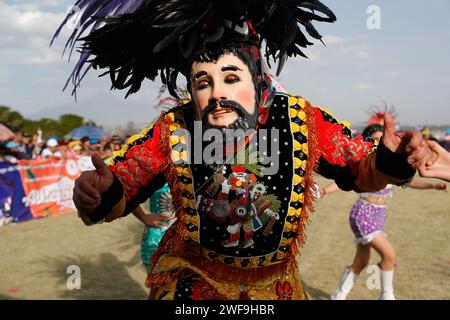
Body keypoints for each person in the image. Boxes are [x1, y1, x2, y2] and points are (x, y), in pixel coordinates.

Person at [55, 0, 436, 300]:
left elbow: (361, 168)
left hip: (276, 288)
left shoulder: (302, 119)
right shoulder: (174, 129)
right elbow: (122, 179)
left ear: (258, 77)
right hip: (193, 285)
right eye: (202, 81)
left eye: (231, 77)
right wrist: (96, 193)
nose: (217, 92)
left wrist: (393, 159)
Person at [320, 124, 447, 300]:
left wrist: (433, 186)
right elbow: (343, 179)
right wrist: (325, 190)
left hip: (380, 215)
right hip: (364, 213)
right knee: (389, 255)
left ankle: (338, 295)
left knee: (362, 262)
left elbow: (411, 183)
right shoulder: (366, 165)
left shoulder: (394, 167)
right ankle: (387, 296)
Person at [132, 184, 176, 271]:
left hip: (188, 238)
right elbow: (126, 193)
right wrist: (144, 217)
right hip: (156, 239)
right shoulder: (154, 171)